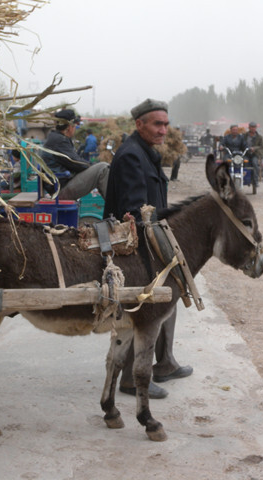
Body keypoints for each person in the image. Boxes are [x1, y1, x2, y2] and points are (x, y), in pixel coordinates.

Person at [103, 98, 193, 400]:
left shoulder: (145, 153)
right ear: (139, 124)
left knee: (169, 298)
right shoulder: (131, 156)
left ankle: (165, 362)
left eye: (166, 124)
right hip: (136, 250)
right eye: (157, 123)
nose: (163, 130)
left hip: (151, 246)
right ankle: (130, 379)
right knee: (140, 310)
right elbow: (135, 211)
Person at [42, 109, 109, 200]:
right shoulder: (59, 140)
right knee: (103, 168)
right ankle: (115, 208)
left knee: (99, 168)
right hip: (61, 188)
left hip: (60, 184)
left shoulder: (56, 138)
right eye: (75, 126)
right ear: (69, 126)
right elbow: (76, 163)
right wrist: (92, 166)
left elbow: (74, 160)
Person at [243, 121, 263, 187]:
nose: (253, 129)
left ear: (256, 128)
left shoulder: (259, 137)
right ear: (249, 128)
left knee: (255, 164)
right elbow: (242, 143)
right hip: (246, 154)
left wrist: (254, 148)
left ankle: (255, 181)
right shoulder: (244, 135)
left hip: (255, 154)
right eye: (251, 127)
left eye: (254, 127)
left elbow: (261, 146)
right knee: (244, 163)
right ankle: (244, 179)